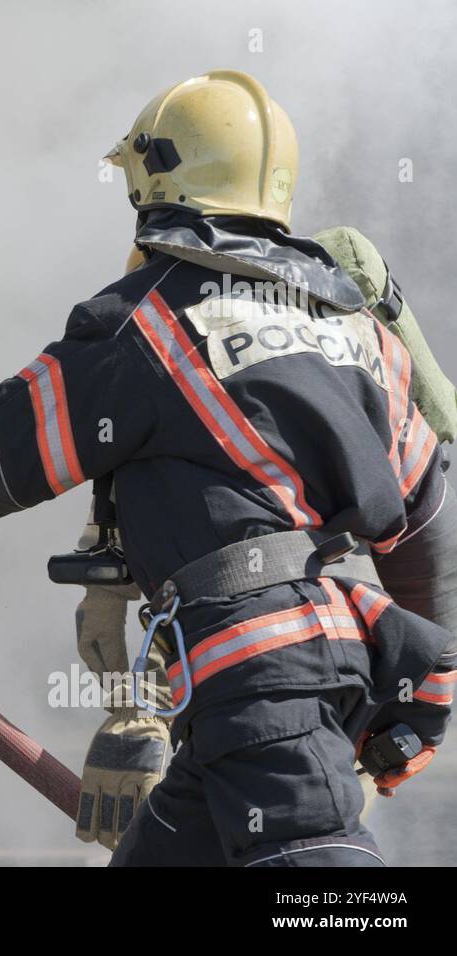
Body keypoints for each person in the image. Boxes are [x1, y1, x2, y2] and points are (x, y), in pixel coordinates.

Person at [0, 69, 457, 866]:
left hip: (261, 684)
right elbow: (428, 525)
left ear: (159, 184)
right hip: (299, 669)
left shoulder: (147, 324)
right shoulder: (354, 334)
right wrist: (420, 695)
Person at [71, 226, 457, 852]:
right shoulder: (164, 344)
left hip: (322, 629)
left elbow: (426, 536)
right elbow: (137, 553)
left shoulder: (303, 310)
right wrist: (135, 711)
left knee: (313, 852)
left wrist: (416, 701)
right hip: (283, 650)